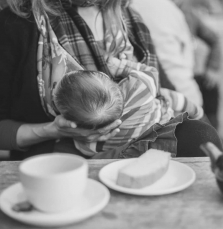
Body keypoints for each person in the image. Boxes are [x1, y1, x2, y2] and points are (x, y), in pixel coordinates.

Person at [0, 0, 223, 160]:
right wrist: (53, 130)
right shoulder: (16, 24)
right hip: (60, 153)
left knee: (202, 136)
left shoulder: (130, 19)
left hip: (138, 142)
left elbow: (164, 93)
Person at [53, 57, 204, 157]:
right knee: (170, 96)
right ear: (104, 75)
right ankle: (196, 111)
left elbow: (85, 149)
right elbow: (150, 71)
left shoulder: (90, 141)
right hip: (163, 119)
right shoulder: (138, 86)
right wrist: (120, 66)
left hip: (143, 141)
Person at [157, 0, 222, 129]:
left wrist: (213, 67)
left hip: (189, 74)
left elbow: (214, 39)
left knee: (211, 87)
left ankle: (213, 134)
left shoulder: (189, 15)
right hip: (167, 76)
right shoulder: (157, 14)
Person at [131, 0, 203, 107]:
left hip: (150, 91)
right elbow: (188, 54)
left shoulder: (127, 2)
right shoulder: (172, 10)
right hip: (182, 89)